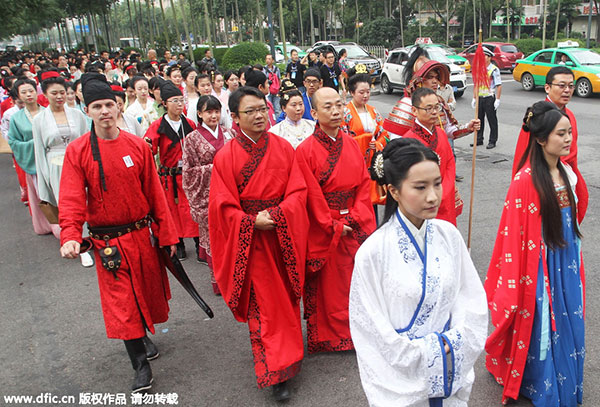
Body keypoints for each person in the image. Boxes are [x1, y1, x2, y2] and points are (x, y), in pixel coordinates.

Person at [58, 72, 179, 393]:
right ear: (87, 110)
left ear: (119, 106)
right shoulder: (78, 152)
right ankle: (139, 364)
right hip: (107, 243)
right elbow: (70, 197)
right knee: (122, 303)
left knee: (145, 294)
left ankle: (140, 334)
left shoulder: (137, 146)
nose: (104, 111)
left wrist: (168, 236)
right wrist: (70, 234)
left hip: (142, 236)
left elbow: (156, 195)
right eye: (96, 106)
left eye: (109, 104)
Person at [349, 138, 488, 406]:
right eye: (420, 187)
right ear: (394, 191)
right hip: (400, 377)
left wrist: (453, 342)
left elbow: (470, 299)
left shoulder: (449, 235)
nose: (433, 196)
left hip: (450, 361)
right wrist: (422, 353)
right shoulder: (373, 253)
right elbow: (370, 327)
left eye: (437, 183)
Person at [208, 86, 309, 401]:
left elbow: (298, 192)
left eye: (262, 109)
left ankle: (289, 360)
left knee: (287, 304)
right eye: (249, 111)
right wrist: (250, 223)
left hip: (282, 237)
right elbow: (222, 207)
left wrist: (279, 215)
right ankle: (274, 373)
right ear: (235, 117)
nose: (258, 116)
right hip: (250, 243)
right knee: (263, 309)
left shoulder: (283, 149)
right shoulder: (225, 157)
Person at [485, 102, 585, 406]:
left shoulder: (566, 171)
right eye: (561, 134)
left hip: (566, 262)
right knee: (543, 322)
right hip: (538, 266)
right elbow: (513, 236)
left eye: (569, 133)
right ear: (541, 138)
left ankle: (567, 378)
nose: (567, 139)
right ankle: (539, 382)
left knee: (570, 318)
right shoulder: (524, 180)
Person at [295, 87, 376, 353]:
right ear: (315, 113)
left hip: (353, 222)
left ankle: (358, 332)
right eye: (327, 107)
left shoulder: (351, 143)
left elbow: (364, 185)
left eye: (339, 105)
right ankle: (329, 336)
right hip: (325, 226)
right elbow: (309, 194)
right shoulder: (305, 151)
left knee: (355, 282)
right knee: (330, 286)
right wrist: (331, 224)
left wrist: (355, 217)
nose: (335, 111)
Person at [512, 66, 588, 223]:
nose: (567, 90)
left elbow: (572, 156)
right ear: (547, 87)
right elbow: (523, 155)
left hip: (566, 176)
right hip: (544, 180)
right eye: (561, 86)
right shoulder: (538, 117)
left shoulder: (570, 115)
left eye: (570, 86)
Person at [182, 95, 232, 294]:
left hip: (231, 193)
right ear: (200, 114)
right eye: (208, 111)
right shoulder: (192, 139)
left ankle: (235, 278)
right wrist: (217, 168)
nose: (213, 115)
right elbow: (189, 172)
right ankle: (219, 282)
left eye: (216, 111)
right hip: (208, 196)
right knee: (214, 238)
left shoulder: (229, 134)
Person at [145, 82, 199, 261]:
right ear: (165, 103)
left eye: (181, 100)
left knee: (193, 209)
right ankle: (180, 244)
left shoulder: (189, 123)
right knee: (173, 212)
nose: (179, 104)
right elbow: (147, 150)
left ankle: (200, 245)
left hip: (188, 175)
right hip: (170, 177)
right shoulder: (157, 126)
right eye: (174, 101)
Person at [32, 71, 88, 241]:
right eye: (54, 93)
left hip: (78, 162)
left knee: (84, 199)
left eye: (62, 92)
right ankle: (75, 240)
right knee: (65, 204)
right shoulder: (39, 119)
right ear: (45, 95)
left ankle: (90, 236)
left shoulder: (77, 114)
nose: (59, 97)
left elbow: (86, 140)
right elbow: (39, 150)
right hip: (55, 166)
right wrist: (45, 176)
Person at [7, 78, 56, 235]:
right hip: (33, 162)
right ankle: (50, 224)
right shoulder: (16, 118)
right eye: (24, 92)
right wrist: (35, 143)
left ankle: (64, 224)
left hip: (52, 160)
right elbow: (14, 142)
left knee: (58, 192)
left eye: (31, 91)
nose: (29, 95)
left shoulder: (49, 112)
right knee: (43, 195)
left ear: (37, 92)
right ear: (18, 96)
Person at [403, 87, 458, 225]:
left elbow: (450, 163)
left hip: (445, 196)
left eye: (436, 107)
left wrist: (444, 190)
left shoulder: (440, 133)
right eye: (428, 108)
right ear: (414, 110)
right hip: (423, 203)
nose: (434, 112)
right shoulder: (408, 141)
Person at [342, 67, 389, 207]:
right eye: (361, 92)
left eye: (368, 92)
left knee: (373, 196)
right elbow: (343, 138)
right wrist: (362, 142)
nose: (365, 95)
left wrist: (378, 143)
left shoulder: (373, 111)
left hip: (373, 158)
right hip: (355, 160)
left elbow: (384, 132)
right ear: (352, 92)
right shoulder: (345, 113)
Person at [471, 46, 501, 149]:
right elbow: (476, 84)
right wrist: (474, 98)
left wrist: (497, 99)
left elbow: (499, 85)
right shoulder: (480, 68)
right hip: (480, 97)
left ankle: (492, 140)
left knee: (492, 119)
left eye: (485, 56)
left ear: (490, 57)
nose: (483, 58)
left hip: (489, 97)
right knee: (479, 119)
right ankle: (479, 139)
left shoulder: (493, 69)